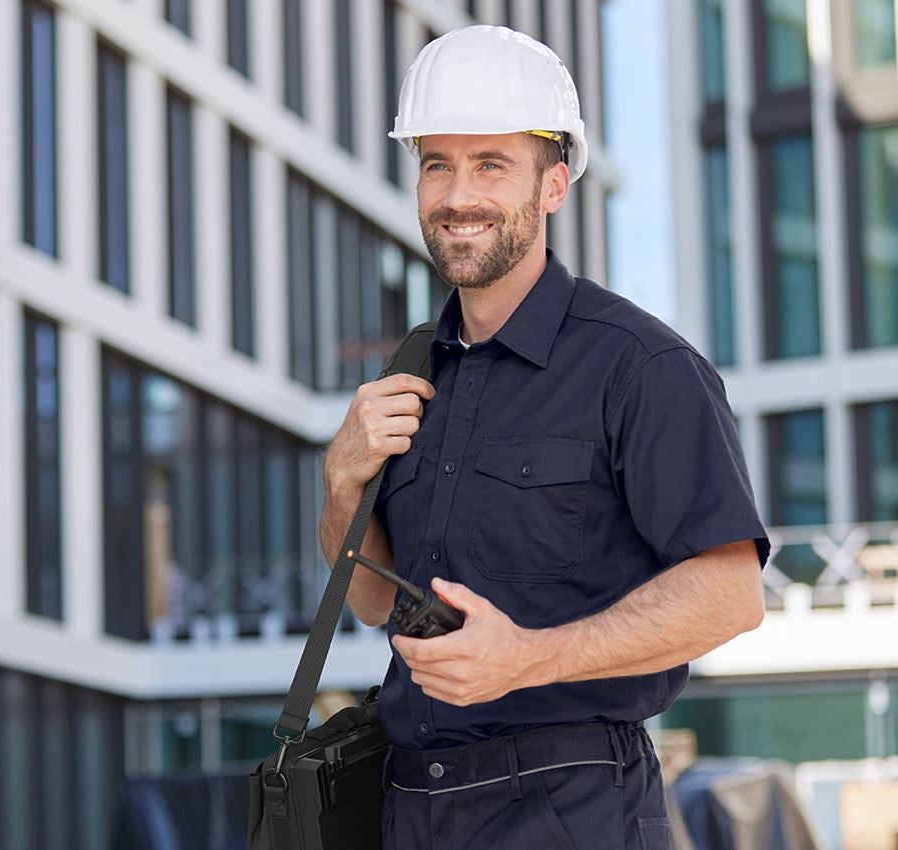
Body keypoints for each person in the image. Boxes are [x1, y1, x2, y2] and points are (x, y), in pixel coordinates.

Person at [319, 25, 770, 850]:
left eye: (491, 163)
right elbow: (373, 599)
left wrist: (529, 657)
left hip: (571, 811)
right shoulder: (415, 370)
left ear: (554, 184)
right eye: (436, 164)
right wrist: (343, 483)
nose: (459, 194)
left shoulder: (640, 366)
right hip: (410, 808)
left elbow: (731, 593)